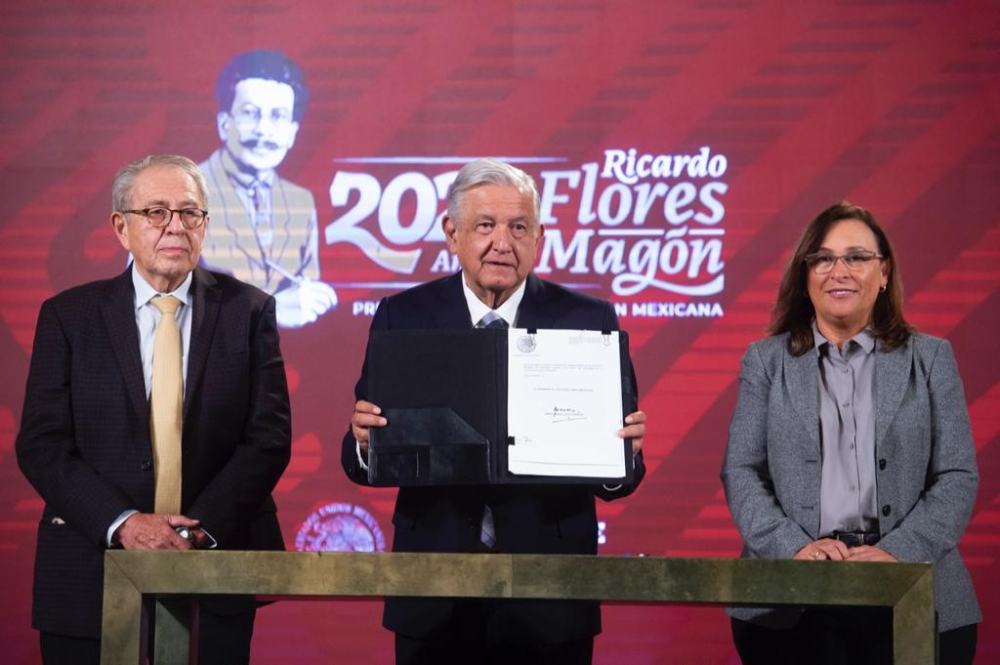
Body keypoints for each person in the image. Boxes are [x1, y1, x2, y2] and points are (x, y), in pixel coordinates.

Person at [342, 158, 647, 665]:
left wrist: (622, 458)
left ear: (540, 238)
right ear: (452, 233)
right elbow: (361, 459)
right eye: (485, 225)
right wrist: (363, 443)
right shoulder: (404, 315)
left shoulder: (588, 318)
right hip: (433, 591)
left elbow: (620, 478)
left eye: (518, 227)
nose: (502, 242)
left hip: (550, 594)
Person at [16, 154, 292, 665]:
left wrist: (198, 530)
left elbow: (268, 438)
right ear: (122, 227)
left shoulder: (249, 311)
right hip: (88, 568)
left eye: (191, 213)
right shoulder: (68, 317)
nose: (176, 227)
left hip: (213, 565)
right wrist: (124, 523)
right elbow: (42, 444)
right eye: (156, 212)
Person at [721, 202, 980, 665]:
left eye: (856, 257)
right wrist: (794, 547)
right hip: (791, 599)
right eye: (822, 258)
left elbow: (958, 475)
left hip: (914, 591)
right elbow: (741, 471)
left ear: (883, 273)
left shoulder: (932, 359)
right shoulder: (764, 362)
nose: (838, 270)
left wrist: (899, 553)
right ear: (806, 275)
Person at [199, 49, 337, 328]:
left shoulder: (301, 202)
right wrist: (269, 311)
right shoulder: (180, 194)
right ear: (224, 124)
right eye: (250, 114)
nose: (264, 130)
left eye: (278, 116)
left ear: (292, 133)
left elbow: (304, 294)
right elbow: (151, 303)